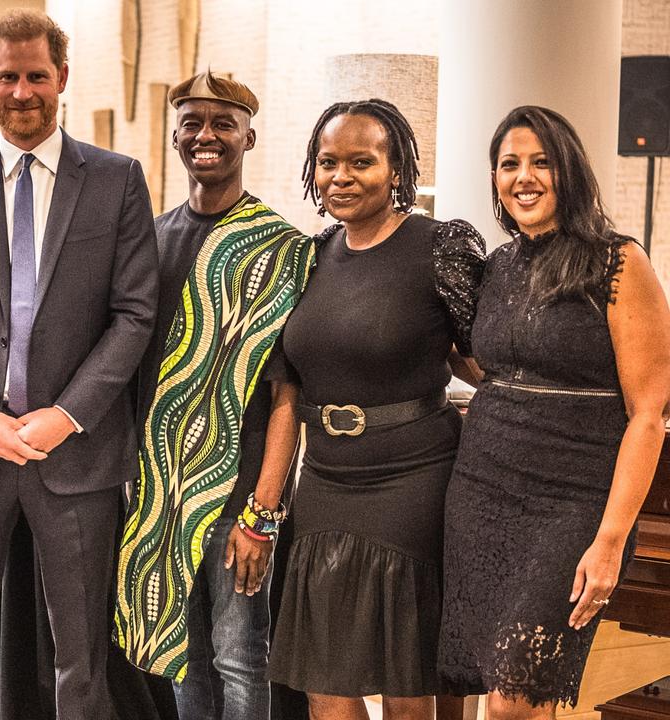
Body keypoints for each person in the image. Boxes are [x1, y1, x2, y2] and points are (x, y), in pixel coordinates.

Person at [0, 8, 159, 718]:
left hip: (77, 459)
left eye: (36, 76)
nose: (22, 91)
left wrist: (68, 414)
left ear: (63, 79)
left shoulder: (117, 180)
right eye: (8, 76)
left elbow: (134, 314)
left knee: (81, 662)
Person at [439, 106, 670, 718]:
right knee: (503, 691)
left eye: (541, 162)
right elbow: (498, 367)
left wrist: (612, 541)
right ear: (494, 178)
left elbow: (648, 414)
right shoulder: (497, 267)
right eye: (509, 164)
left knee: (516, 694)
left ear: (568, 170)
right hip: (482, 490)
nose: (524, 176)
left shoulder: (619, 262)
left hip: (571, 503)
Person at [266, 99, 485, 720]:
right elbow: (288, 385)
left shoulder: (439, 247)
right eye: (329, 162)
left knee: (407, 683)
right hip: (326, 482)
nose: (342, 176)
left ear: (396, 171)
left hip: (416, 479)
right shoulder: (308, 258)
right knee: (324, 685)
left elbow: (481, 359)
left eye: (362, 161)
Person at [114, 70, 313, 720]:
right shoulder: (146, 238)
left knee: (239, 658)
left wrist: (263, 512)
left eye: (222, 123)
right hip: (159, 495)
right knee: (184, 661)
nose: (207, 135)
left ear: (249, 135)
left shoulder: (279, 248)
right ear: (174, 134)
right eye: (193, 122)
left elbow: (289, 396)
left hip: (235, 500)